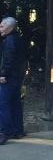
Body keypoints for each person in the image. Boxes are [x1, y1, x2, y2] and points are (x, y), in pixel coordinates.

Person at [0, 16, 26, 144]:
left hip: (9, 77)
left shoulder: (9, 40)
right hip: (18, 76)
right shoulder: (19, 38)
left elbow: (8, 59)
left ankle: (4, 133)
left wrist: (3, 74)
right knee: (15, 103)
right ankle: (18, 131)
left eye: (2, 26)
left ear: (10, 27)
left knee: (3, 104)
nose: (0, 29)